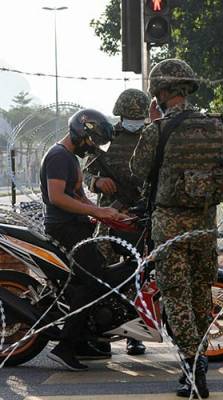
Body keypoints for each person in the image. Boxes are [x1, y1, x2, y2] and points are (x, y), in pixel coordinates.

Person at [130, 59, 223, 398]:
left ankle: (193, 365)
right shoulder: (217, 127)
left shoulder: (158, 130)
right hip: (204, 226)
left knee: (175, 298)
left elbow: (137, 170)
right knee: (199, 295)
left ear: (161, 92)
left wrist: (153, 127)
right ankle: (198, 358)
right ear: (187, 89)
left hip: (170, 227)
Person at [40, 109, 127, 371]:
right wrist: (96, 211)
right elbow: (57, 197)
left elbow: (77, 196)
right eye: (92, 141)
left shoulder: (69, 157)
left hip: (76, 227)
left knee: (87, 281)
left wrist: (105, 215)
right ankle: (65, 346)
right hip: (64, 229)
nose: (93, 147)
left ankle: (81, 341)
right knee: (94, 281)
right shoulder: (58, 157)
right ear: (81, 133)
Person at [83, 88, 151, 357]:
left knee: (140, 277)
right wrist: (97, 182)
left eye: (138, 116)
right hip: (110, 217)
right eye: (129, 116)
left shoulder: (152, 135)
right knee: (104, 273)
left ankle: (134, 334)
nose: (134, 121)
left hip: (141, 217)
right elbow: (86, 173)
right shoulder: (107, 137)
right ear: (120, 115)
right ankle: (101, 334)